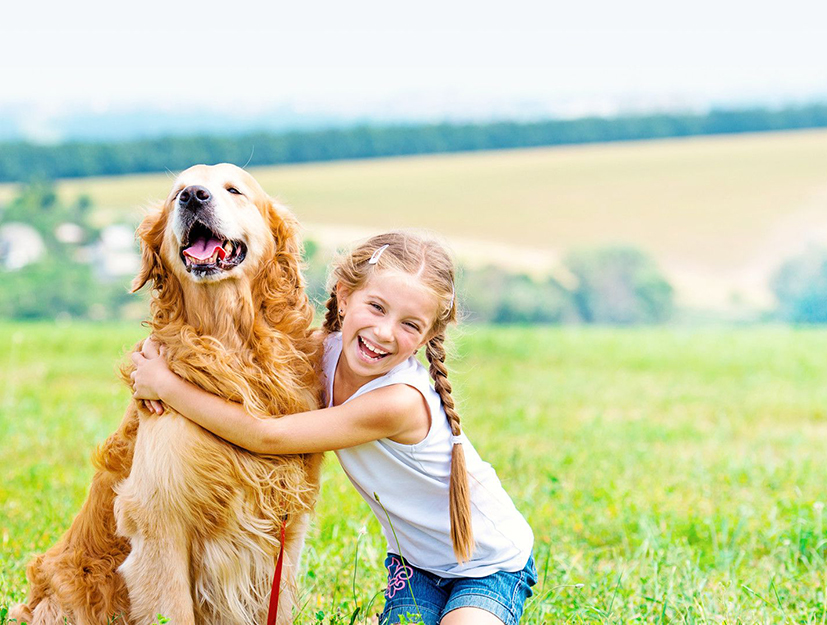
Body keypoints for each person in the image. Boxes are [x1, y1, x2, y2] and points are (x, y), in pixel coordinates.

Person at [130, 231, 536, 625]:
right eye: (376, 307)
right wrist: (157, 353)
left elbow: (266, 435)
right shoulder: (323, 352)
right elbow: (243, 363)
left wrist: (167, 386)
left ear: (428, 336)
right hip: (416, 566)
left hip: (489, 564)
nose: (384, 332)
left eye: (410, 325)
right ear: (343, 296)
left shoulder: (399, 401)